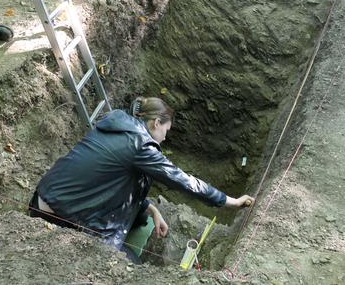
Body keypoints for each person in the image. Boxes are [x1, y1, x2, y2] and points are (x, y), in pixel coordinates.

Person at [29, 97, 254, 263]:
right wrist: (229, 201)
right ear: (156, 123)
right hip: (56, 213)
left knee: (137, 219)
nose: (166, 136)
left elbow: (113, 182)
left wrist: (153, 211)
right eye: (166, 129)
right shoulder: (141, 147)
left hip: (46, 195)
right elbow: (182, 180)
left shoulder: (119, 126)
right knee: (129, 267)